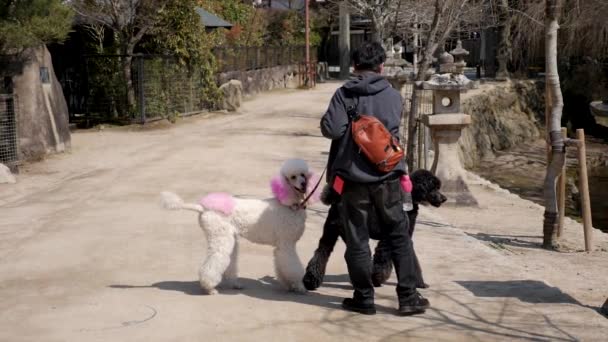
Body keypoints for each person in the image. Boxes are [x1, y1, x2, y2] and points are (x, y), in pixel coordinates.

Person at [320, 41, 429, 316]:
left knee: (357, 240)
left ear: (355, 66)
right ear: (381, 66)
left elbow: (331, 130)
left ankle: (364, 298)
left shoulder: (344, 94)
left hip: (353, 181)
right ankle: (408, 298)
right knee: (398, 236)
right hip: (388, 176)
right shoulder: (393, 95)